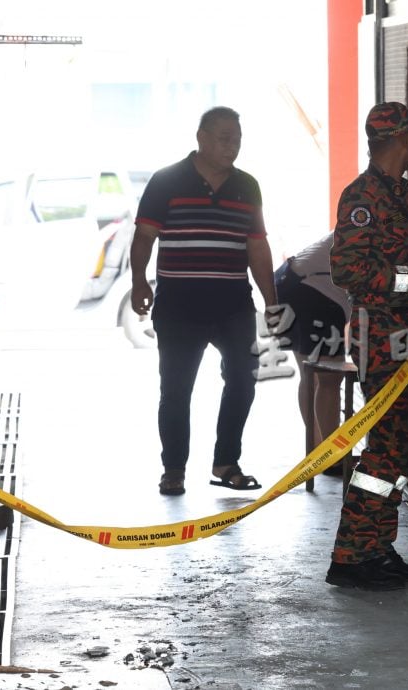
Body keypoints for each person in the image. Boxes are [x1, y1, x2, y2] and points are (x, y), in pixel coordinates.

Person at [130, 106, 277, 496]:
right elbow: (144, 236)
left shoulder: (248, 186)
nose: (233, 146)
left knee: (244, 382)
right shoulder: (166, 182)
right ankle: (173, 469)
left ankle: (226, 462)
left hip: (234, 305)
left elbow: (257, 248)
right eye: (224, 138)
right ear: (201, 137)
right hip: (179, 307)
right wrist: (139, 281)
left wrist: (273, 302)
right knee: (176, 390)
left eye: (238, 139)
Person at [324, 102, 408, 591]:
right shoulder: (362, 197)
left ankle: (373, 545)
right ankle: (352, 555)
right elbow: (347, 271)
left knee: (401, 448)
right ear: (397, 140)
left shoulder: (406, 197)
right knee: (387, 449)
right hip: (381, 335)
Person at [273, 233, 352, 476]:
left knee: (311, 376)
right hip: (315, 291)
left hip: (288, 281)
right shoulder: (379, 227)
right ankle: (331, 456)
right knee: (329, 378)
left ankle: (318, 450)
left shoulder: (358, 218)